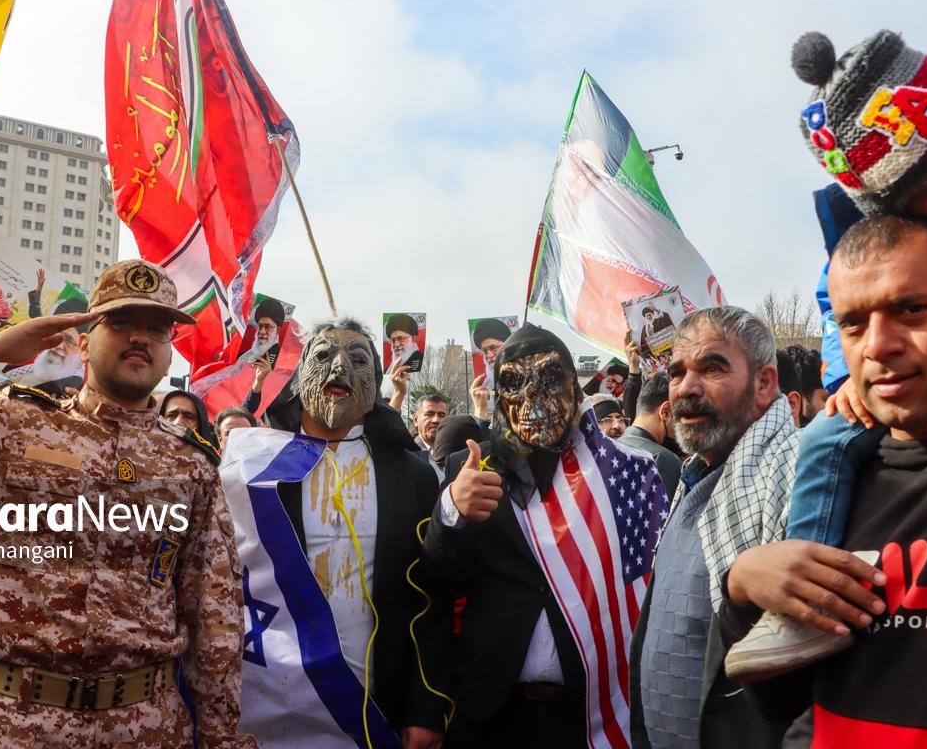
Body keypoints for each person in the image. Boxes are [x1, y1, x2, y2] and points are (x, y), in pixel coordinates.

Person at [733, 28, 927, 675]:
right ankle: (805, 600)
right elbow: (834, 301)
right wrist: (846, 378)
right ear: (894, 212)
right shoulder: (875, 244)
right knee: (825, 435)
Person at [0, 259, 250, 749]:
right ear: (84, 342)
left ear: (168, 352)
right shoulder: (8, 425)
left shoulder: (191, 464)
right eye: (121, 322)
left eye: (157, 329)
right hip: (19, 721)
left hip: (148, 724)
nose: (140, 337)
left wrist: (221, 734)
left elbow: (214, 611)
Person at [721, 214, 927, 745]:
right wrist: (742, 589)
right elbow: (779, 703)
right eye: (852, 324)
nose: (877, 345)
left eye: (912, 310)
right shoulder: (825, 484)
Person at [425, 324, 667, 748]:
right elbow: (438, 586)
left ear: (575, 388)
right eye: (515, 382)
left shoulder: (617, 474)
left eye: (550, 377)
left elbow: (648, 585)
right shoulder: (470, 467)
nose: (534, 396)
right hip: (493, 712)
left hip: (590, 712)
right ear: (499, 397)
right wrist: (451, 513)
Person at [230, 318, 451, 748]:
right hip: (267, 709)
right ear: (300, 377)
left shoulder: (414, 476)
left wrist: (425, 708)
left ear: (375, 385)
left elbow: (431, 598)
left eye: (358, 359)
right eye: (323, 355)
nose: (340, 367)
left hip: (375, 710)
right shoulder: (254, 470)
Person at [629, 306, 797, 749]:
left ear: (764, 384)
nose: (686, 387)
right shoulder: (694, 475)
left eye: (712, 368)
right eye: (677, 372)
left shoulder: (794, 473)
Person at [618, 371, 682, 500]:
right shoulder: (664, 459)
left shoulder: (609, 448)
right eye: (683, 414)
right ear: (666, 412)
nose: (685, 423)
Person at [412, 393, 449, 482]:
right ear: (416, 420)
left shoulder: (454, 452)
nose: (436, 420)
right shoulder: (408, 454)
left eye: (441, 415)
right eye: (430, 414)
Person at [239, 297, 285, 365]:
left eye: (267, 326)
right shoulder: (241, 356)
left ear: (277, 330)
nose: (262, 332)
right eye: (260, 326)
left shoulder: (280, 363)